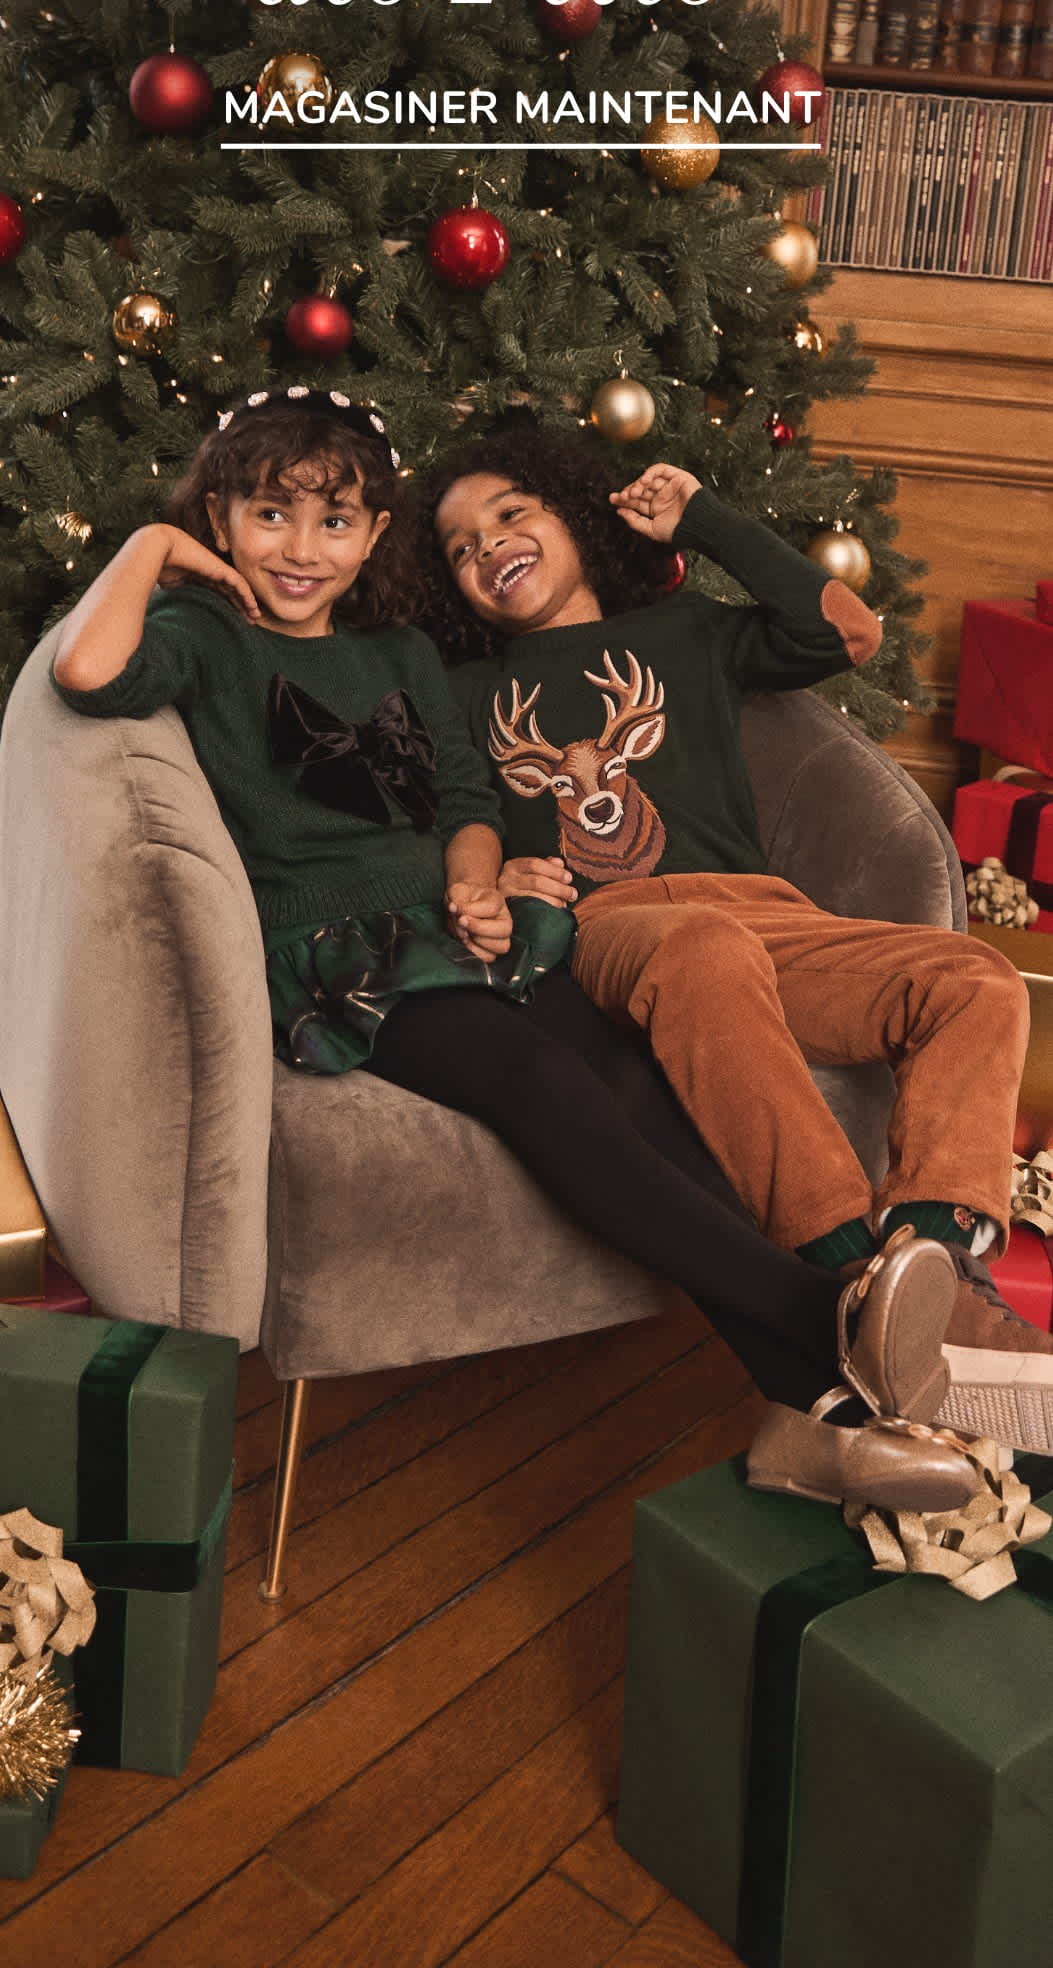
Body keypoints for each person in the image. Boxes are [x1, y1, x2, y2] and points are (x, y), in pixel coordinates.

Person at [48, 384, 978, 1514]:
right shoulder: (207, 639)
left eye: (334, 521)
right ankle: (827, 1325)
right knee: (540, 1082)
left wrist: (477, 884)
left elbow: (464, 795)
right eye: (268, 516)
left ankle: (809, 1418)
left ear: (375, 537)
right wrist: (155, 543)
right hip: (346, 958)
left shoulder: (401, 651)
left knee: (636, 1077)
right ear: (224, 518)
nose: (299, 550)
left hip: (462, 930)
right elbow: (84, 673)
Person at [422, 417, 1053, 1455]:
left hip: (767, 910)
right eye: (458, 547)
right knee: (700, 953)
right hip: (616, 926)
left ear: (573, 518)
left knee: (976, 976)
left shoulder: (687, 631)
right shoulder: (466, 692)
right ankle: (852, 1281)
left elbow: (849, 633)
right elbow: (433, 809)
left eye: (509, 513)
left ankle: (927, 1276)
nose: (487, 545)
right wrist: (491, 873)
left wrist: (704, 517)